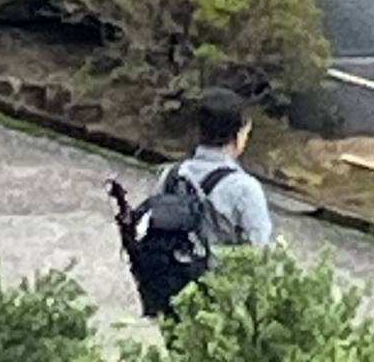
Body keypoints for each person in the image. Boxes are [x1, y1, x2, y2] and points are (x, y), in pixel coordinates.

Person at [111, 94, 272, 318]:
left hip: (175, 299)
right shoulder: (245, 189)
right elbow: (259, 254)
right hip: (222, 307)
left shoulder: (171, 175)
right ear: (237, 136)